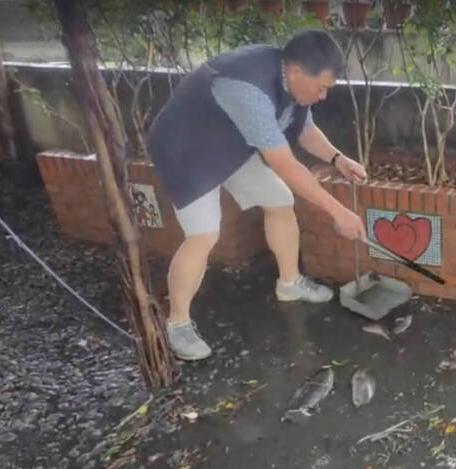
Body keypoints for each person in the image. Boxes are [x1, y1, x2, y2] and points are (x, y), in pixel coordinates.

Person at [146, 29, 368, 361]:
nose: (323, 96)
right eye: (321, 87)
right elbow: (284, 163)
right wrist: (338, 212)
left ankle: (289, 282)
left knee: (280, 200)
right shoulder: (246, 88)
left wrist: (338, 158)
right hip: (186, 151)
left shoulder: (293, 82)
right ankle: (177, 323)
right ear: (295, 72)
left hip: (232, 145)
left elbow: (304, 129)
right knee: (203, 234)